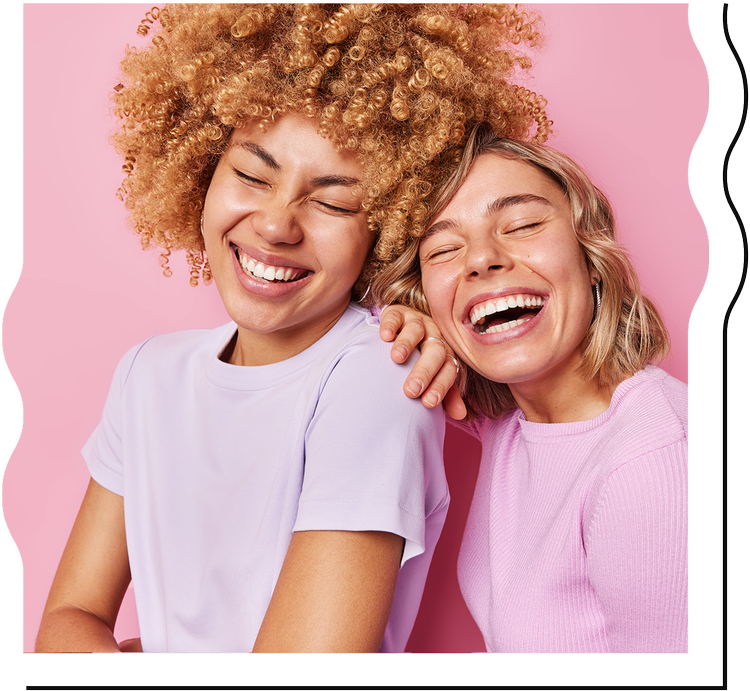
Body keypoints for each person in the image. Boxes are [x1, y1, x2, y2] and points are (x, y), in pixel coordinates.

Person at [35, 5, 548, 653]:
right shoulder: (149, 373)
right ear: (201, 170)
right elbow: (68, 618)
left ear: (388, 228)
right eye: (251, 174)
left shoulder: (380, 375)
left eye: (333, 201)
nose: (277, 224)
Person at [375, 123, 709, 653]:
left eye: (523, 224)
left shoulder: (653, 463)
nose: (481, 258)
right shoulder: (513, 423)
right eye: (443, 250)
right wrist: (406, 323)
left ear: (591, 259)